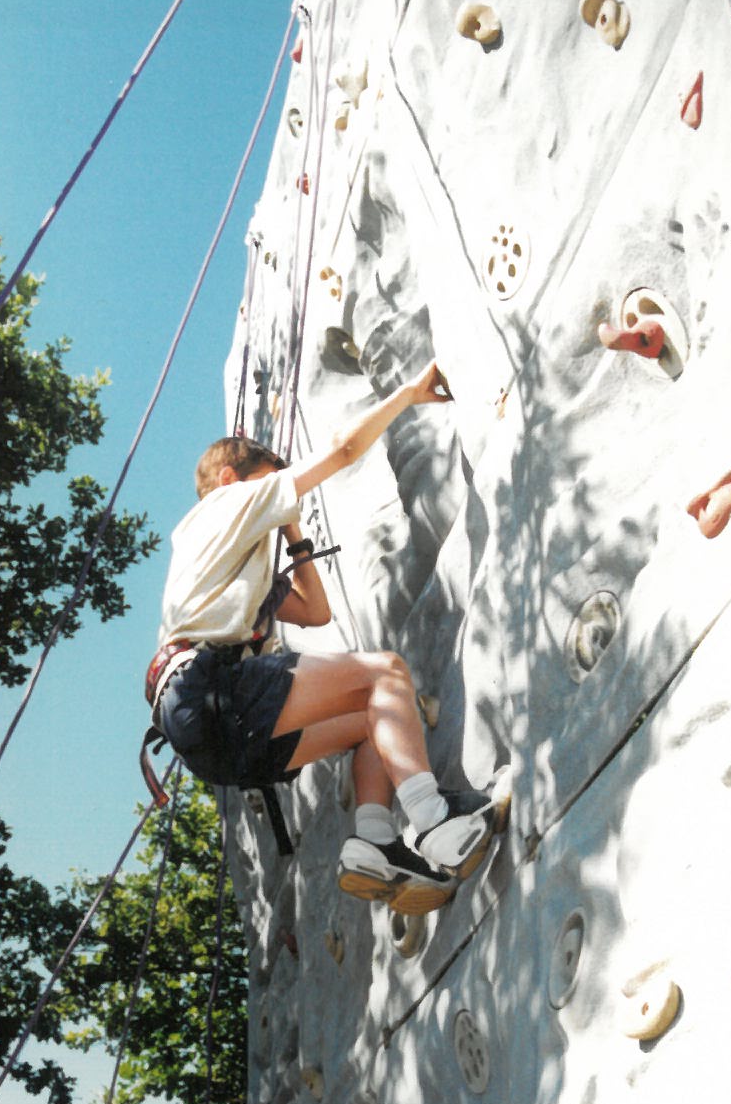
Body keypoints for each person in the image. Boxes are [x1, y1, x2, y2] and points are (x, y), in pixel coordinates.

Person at [147, 361, 506, 914]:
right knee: (385, 672)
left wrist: (295, 540)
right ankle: (436, 823)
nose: (280, 486)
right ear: (229, 480)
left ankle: (376, 843)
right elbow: (341, 451)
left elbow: (315, 612)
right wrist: (406, 395)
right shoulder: (226, 505)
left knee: (373, 721)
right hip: (209, 687)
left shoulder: (231, 563)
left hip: (210, 738)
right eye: (271, 474)